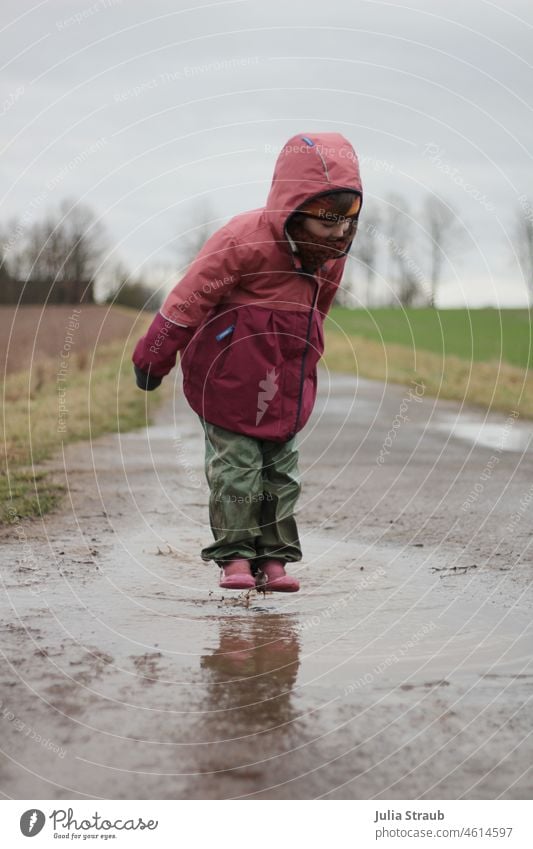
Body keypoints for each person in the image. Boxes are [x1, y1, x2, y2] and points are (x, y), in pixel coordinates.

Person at [132, 132, 363, 593]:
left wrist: (309, 349)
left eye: (350, 220)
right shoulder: (242, 240)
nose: (340, 233)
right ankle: (236, 556)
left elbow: (321, 312)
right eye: (328, 222)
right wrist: (155, 355)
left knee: (281, 474)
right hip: (228, 380)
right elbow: (186, 301)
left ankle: (274, 559)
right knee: (237, 469)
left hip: (285, 383)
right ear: (294, 212)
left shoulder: (329, 259)